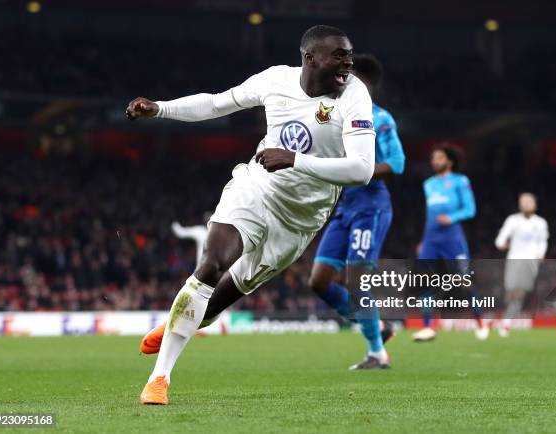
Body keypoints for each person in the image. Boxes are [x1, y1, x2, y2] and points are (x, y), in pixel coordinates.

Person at [126, 25, 377, 405]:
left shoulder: (355, 94)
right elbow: (215, 104)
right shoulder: (275, 80)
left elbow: (362, 169)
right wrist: (160, 109)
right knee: (210, 265)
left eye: (350, 54)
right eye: (339, 55)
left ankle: (184, 321)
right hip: (257, 189)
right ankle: (159, 379)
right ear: (310, 58)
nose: (349, 62)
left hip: (300, 221)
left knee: (213, 304)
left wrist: (295, 160)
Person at [308, 54, 405, 370]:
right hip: (343, 207)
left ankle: (377, 352)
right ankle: (377, 327)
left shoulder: (381, 118)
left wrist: (359, 172)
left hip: (371, 207)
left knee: (357, 281)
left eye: (347, 76)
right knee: (319, 281)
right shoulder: (332, 113)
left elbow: (397, 163)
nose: (341, 81)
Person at [413, 145, 487, 341]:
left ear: (449, 161)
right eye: (433, 158)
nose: (434, 161)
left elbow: (470, 209)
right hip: (431, 239)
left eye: (439, 157)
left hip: (452, 238)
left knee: (464, 281)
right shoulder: (428, 184)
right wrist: (423, 240)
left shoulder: (460, 181)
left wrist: (452, 217)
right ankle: (428, 327)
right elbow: (430, 214)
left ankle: (479, 320)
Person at [495, 193, 549, 337]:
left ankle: (506, 323)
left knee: (519, 292)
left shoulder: (541, 223)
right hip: (513, 259)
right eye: (523, 202)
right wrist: (502, 244)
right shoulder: (512, 221)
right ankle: (507, 315)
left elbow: (543, 241)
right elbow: (500, 239)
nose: (526, 205)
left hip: (530, 261)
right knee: (510, 292)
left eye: (528, 202)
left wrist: (541, 254)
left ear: (535, 205)